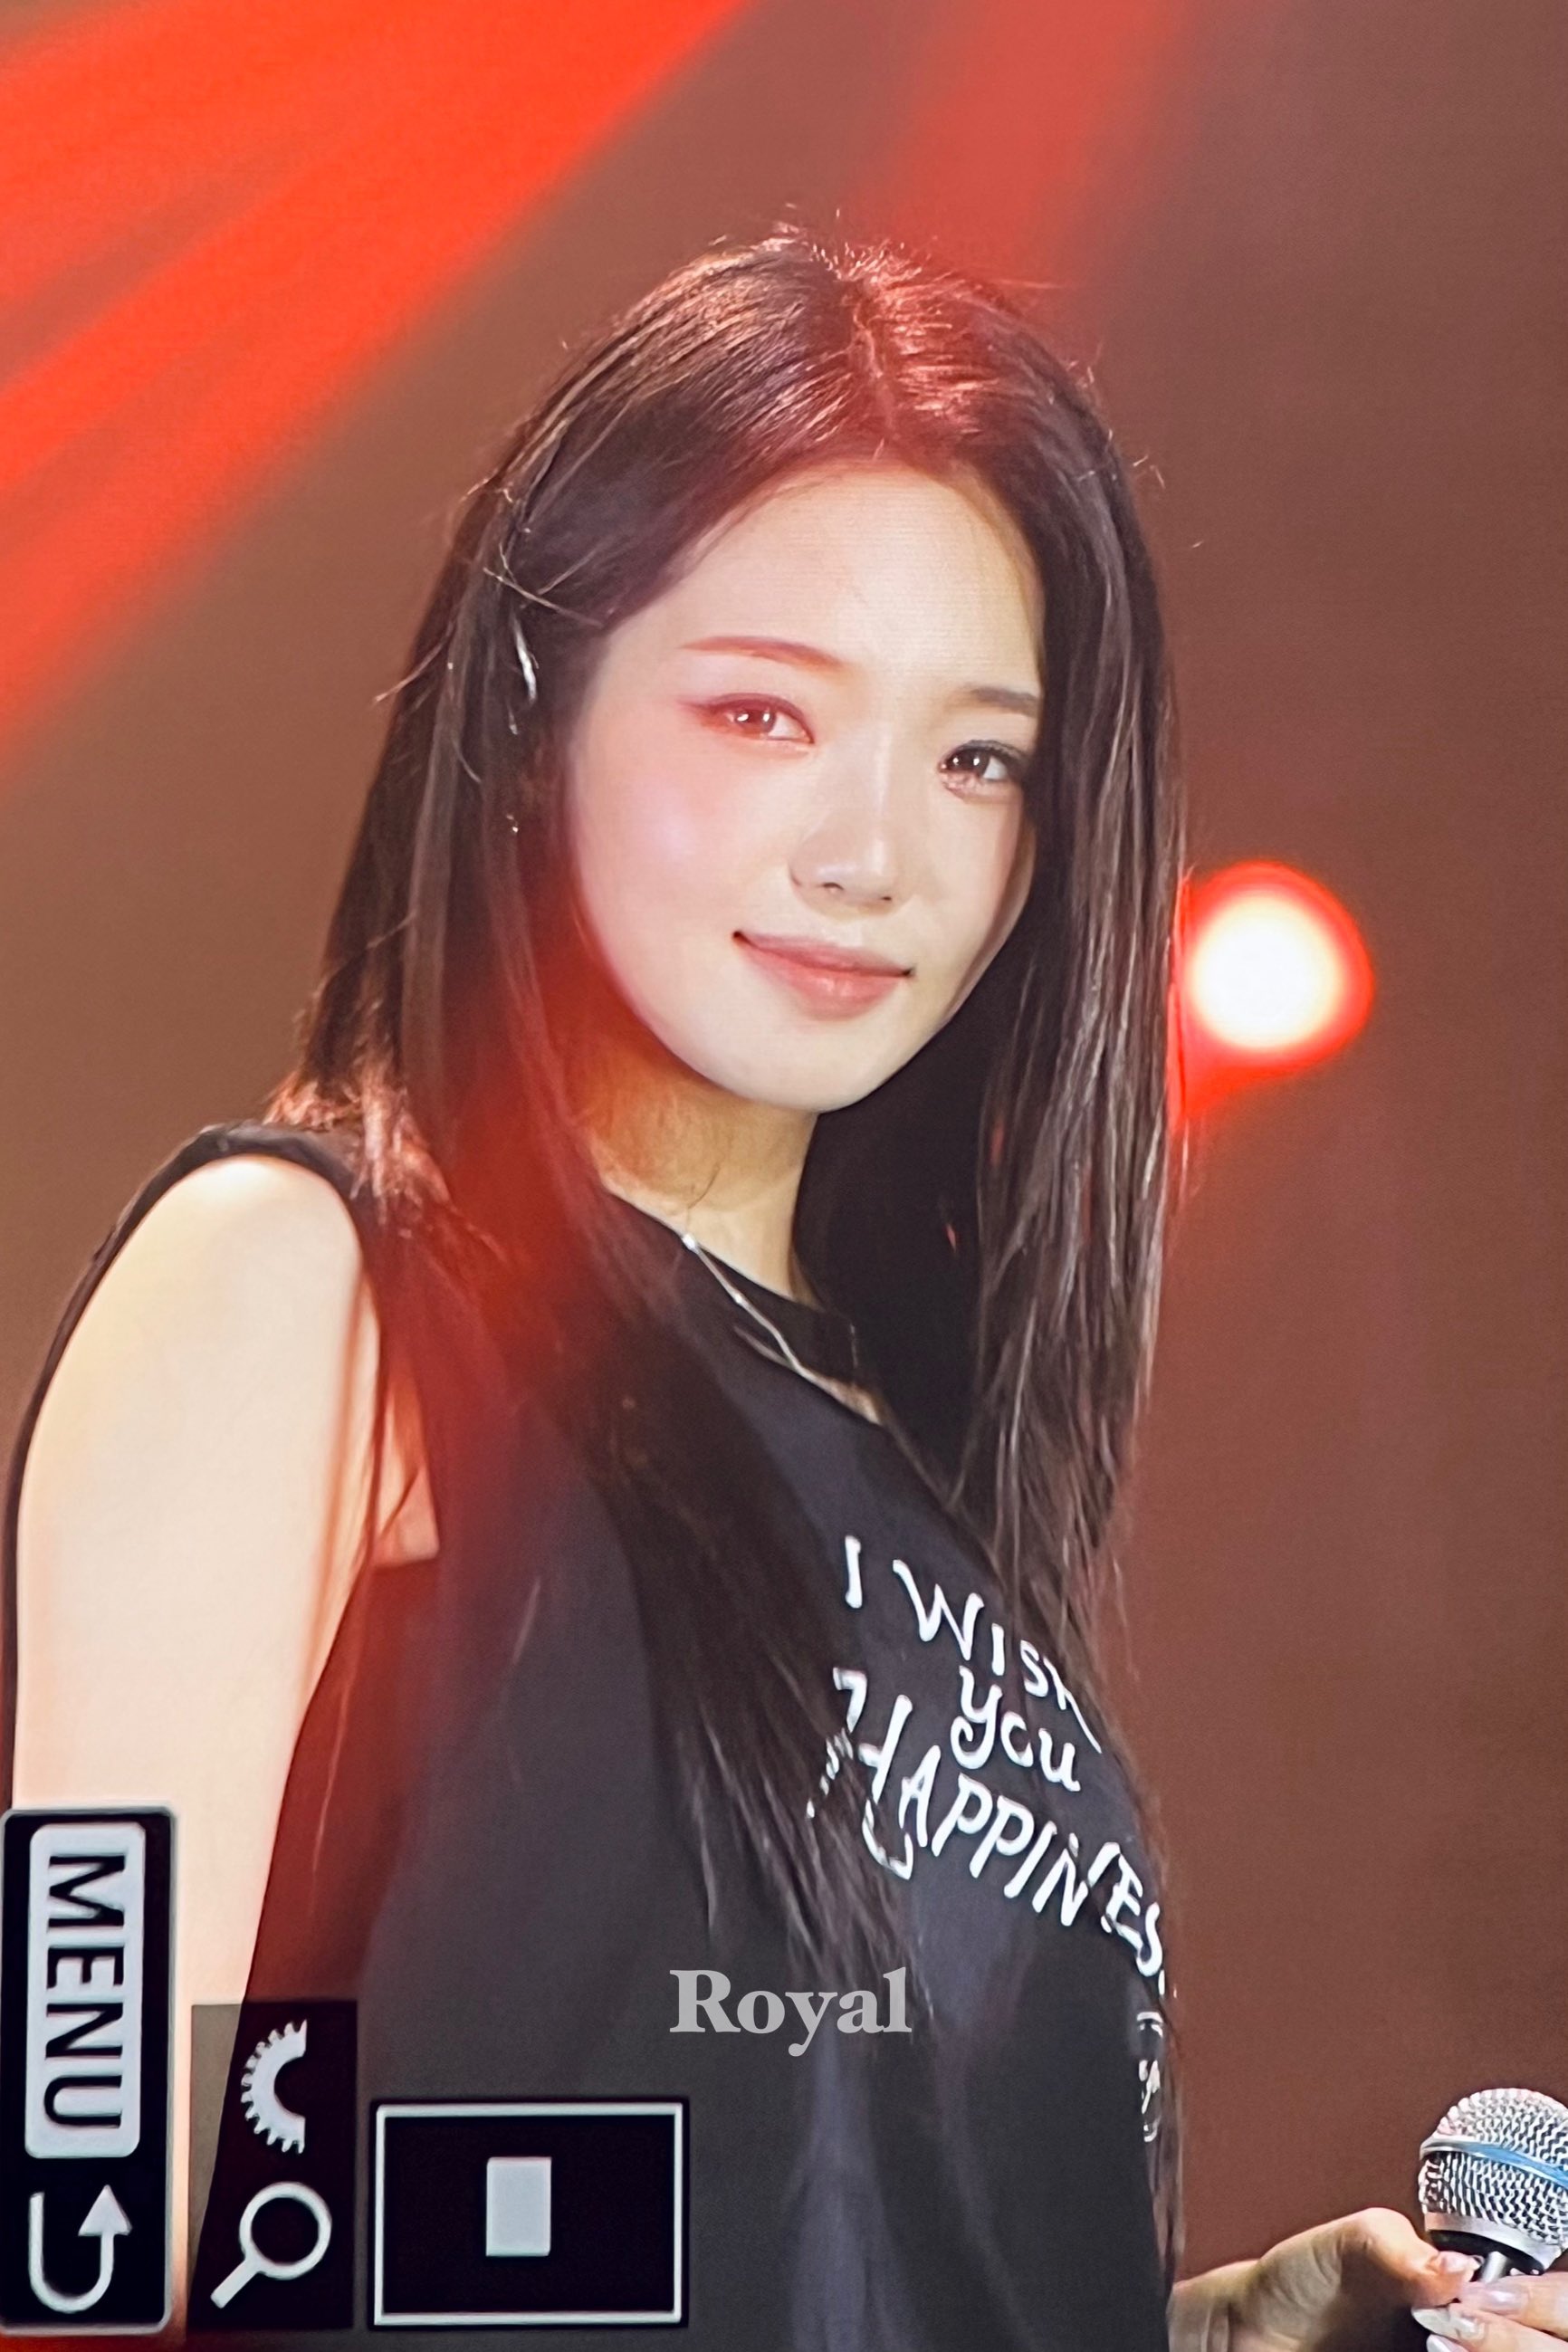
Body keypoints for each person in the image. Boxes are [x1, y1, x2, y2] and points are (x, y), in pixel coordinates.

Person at [4, 225, 1499, 2351]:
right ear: (535, 710)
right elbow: (81, 2229)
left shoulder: (906, 1439)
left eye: (977, 758)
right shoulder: (313, 1285)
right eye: (759, 711)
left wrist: (1195, 2332)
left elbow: (808, 2230)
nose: (870, 851)